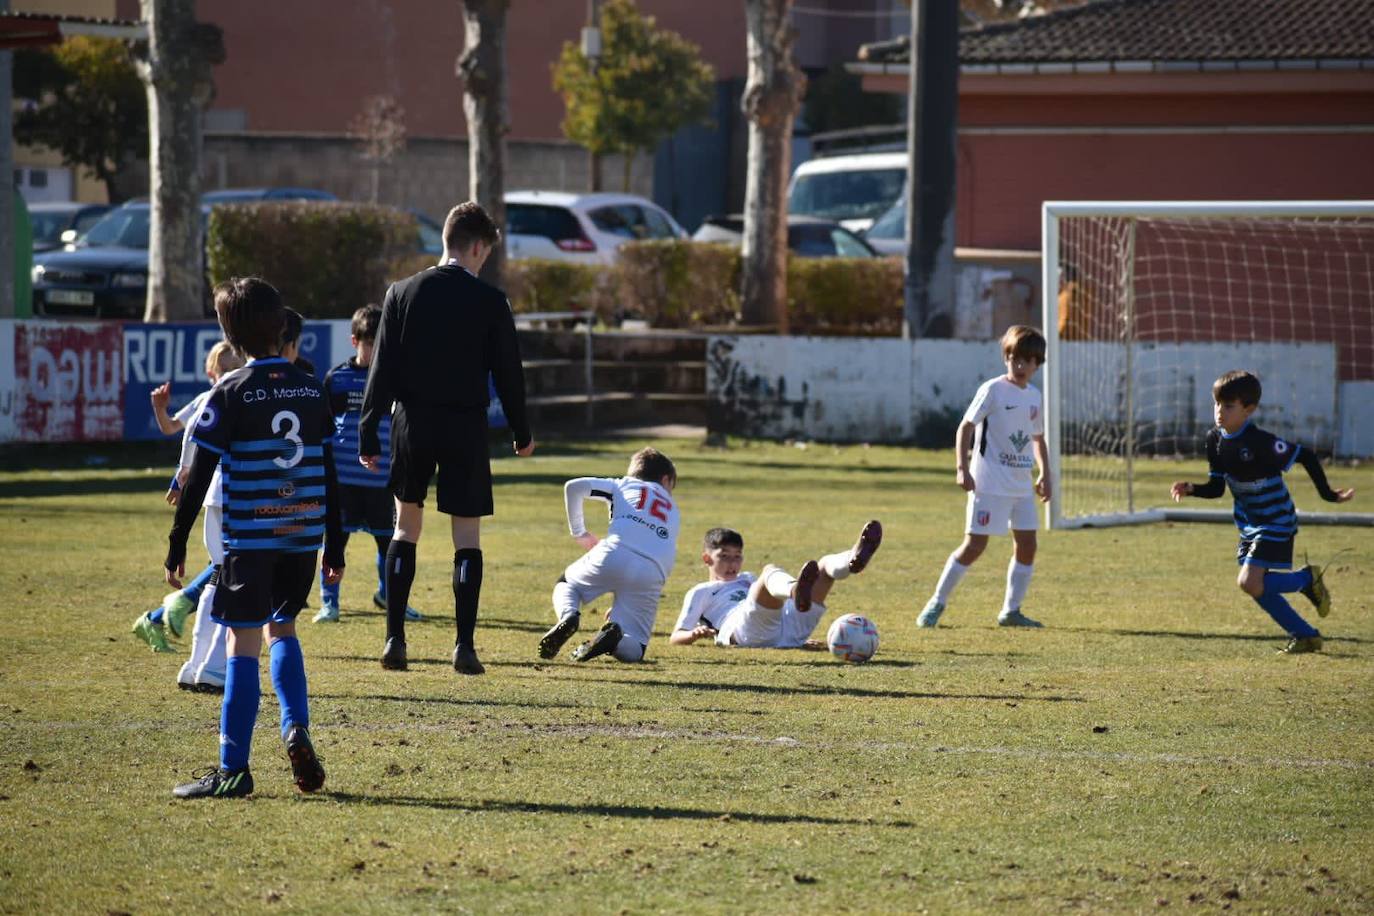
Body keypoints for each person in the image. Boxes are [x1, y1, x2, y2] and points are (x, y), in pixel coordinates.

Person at [164, 277, 344, 799]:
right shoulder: (311, 387)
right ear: (280, 325)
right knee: (283, 629)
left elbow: (197, 476)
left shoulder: (230, 391)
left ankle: (232, 769)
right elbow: (329, 470)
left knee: (242, 644)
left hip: (251, 537)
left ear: (230, 333)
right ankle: (295, 726)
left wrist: (177, 544)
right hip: (303, 536)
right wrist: (334, 546)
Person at [360, 201, 534, 675]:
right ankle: (464, 647)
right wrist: (522, 431)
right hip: (465, 425)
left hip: (411, 422)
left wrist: (367, 430)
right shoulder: (490, 301)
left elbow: (382, 367)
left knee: (404, 528)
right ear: (477, 247)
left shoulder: (401, 292)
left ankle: (395, 639)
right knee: (466, 537)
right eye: (485, 255)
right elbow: (509, 373)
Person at [1170, 370, 1354, 654]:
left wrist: (1329, 495)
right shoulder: (1214, 440)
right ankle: (1305, 634)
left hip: (1276, 519)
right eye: (1216, 403)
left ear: (1249, 409)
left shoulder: (1259, 442)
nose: (1219, 411)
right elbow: (1217, 488)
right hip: (1249, 524)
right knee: (1255, 586)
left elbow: (1304, 454)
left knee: (1249, 582)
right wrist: (1192, 488)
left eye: (1228, 406)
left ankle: (1306, 580)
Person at [918, 325, 1051, 629]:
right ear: (1006, 357)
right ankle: (936, 602)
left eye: (1027, 361)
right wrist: (961, 468)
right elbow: (965, 427)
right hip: (988, 483)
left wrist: (1045, 473)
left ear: (1037, 365)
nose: (1020, 366)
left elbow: (1037, 438)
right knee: (974, 546)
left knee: (1028, 545)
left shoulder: (1034, 396)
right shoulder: (992, 389)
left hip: (1021, 486)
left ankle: (1011, 611)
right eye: (1015, 358)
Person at [132, 341, 243, 677]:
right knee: (230, 575)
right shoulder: (222, 397)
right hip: (226, 492)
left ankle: (196, 662)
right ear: (212, 373)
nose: (230, 374)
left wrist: (184, 474)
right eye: (225, 369)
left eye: (235, 367)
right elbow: (184, 434)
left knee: (220, 572)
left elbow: (185, 434)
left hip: (214, 492)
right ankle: (211, 664)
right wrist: (183, 471)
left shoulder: (223, 396)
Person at [314, 305, 422, 624]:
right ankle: (329, 603)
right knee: (334, 543)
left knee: (388, 542)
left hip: (383, 481)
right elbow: (323, 426)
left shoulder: (395, 379)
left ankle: (390, 597)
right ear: (354, 341)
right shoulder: (337, 378)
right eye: (369, 342)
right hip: (343, 481)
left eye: (381, 342)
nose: (375, 349)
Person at [538, 448, 679, 663]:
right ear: (665, 479)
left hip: (615, 552)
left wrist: (580, 533)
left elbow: (573, 487)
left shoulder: (623, 484)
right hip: (654, 570)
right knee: (636, 648)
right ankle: (615, 640)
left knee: (567, 584)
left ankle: (569, 616)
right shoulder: (673, 508)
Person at [670, 521, 881, 650]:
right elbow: (676, 637)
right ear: (707, 559)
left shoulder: (748, 577)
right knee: (769, 571)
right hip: (742, 631)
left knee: (824, 566)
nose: (732, 564)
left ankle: (851, 559)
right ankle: (795, 590)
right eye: (724, 557)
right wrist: (693, 635)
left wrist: (798, 643)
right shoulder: (701, 591)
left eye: (737, 557)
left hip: (786, 627)